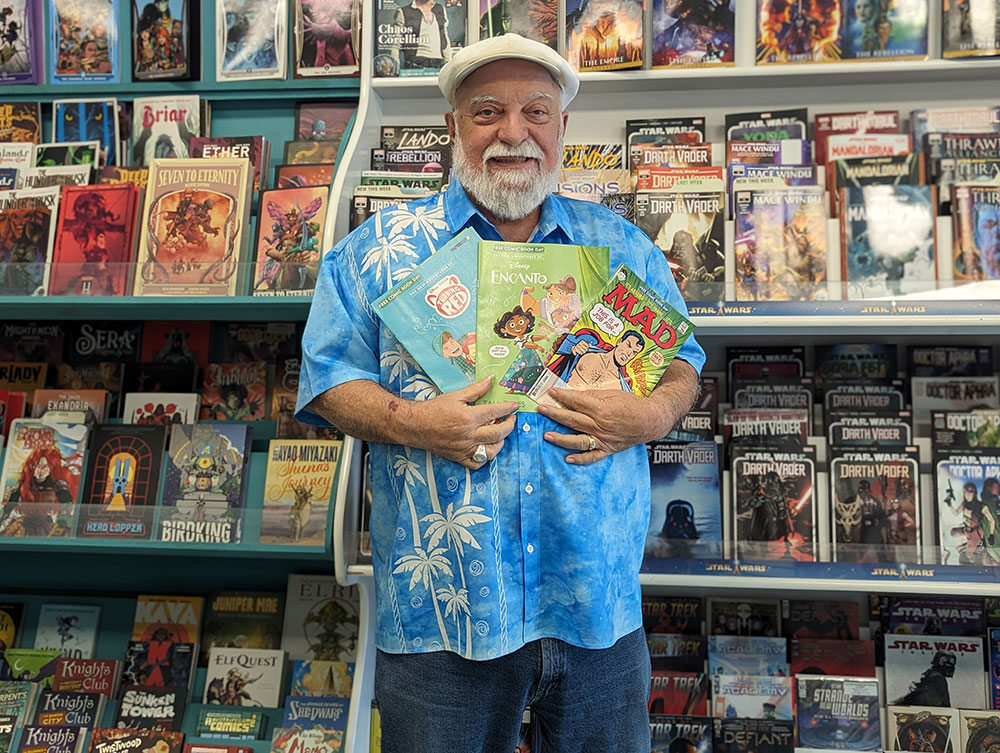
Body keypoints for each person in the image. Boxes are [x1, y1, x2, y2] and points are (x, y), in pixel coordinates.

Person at [296, 33, 704, 752]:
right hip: (442, 617)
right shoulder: (378, 250)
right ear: (452, 127)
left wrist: (648, 413)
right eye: (487, 112)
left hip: (597, 612)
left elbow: (684, 363)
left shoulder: (622, 247)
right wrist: (418, 423)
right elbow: (329, 379)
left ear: (562, 129)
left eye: (535, 113)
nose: (513, 134)